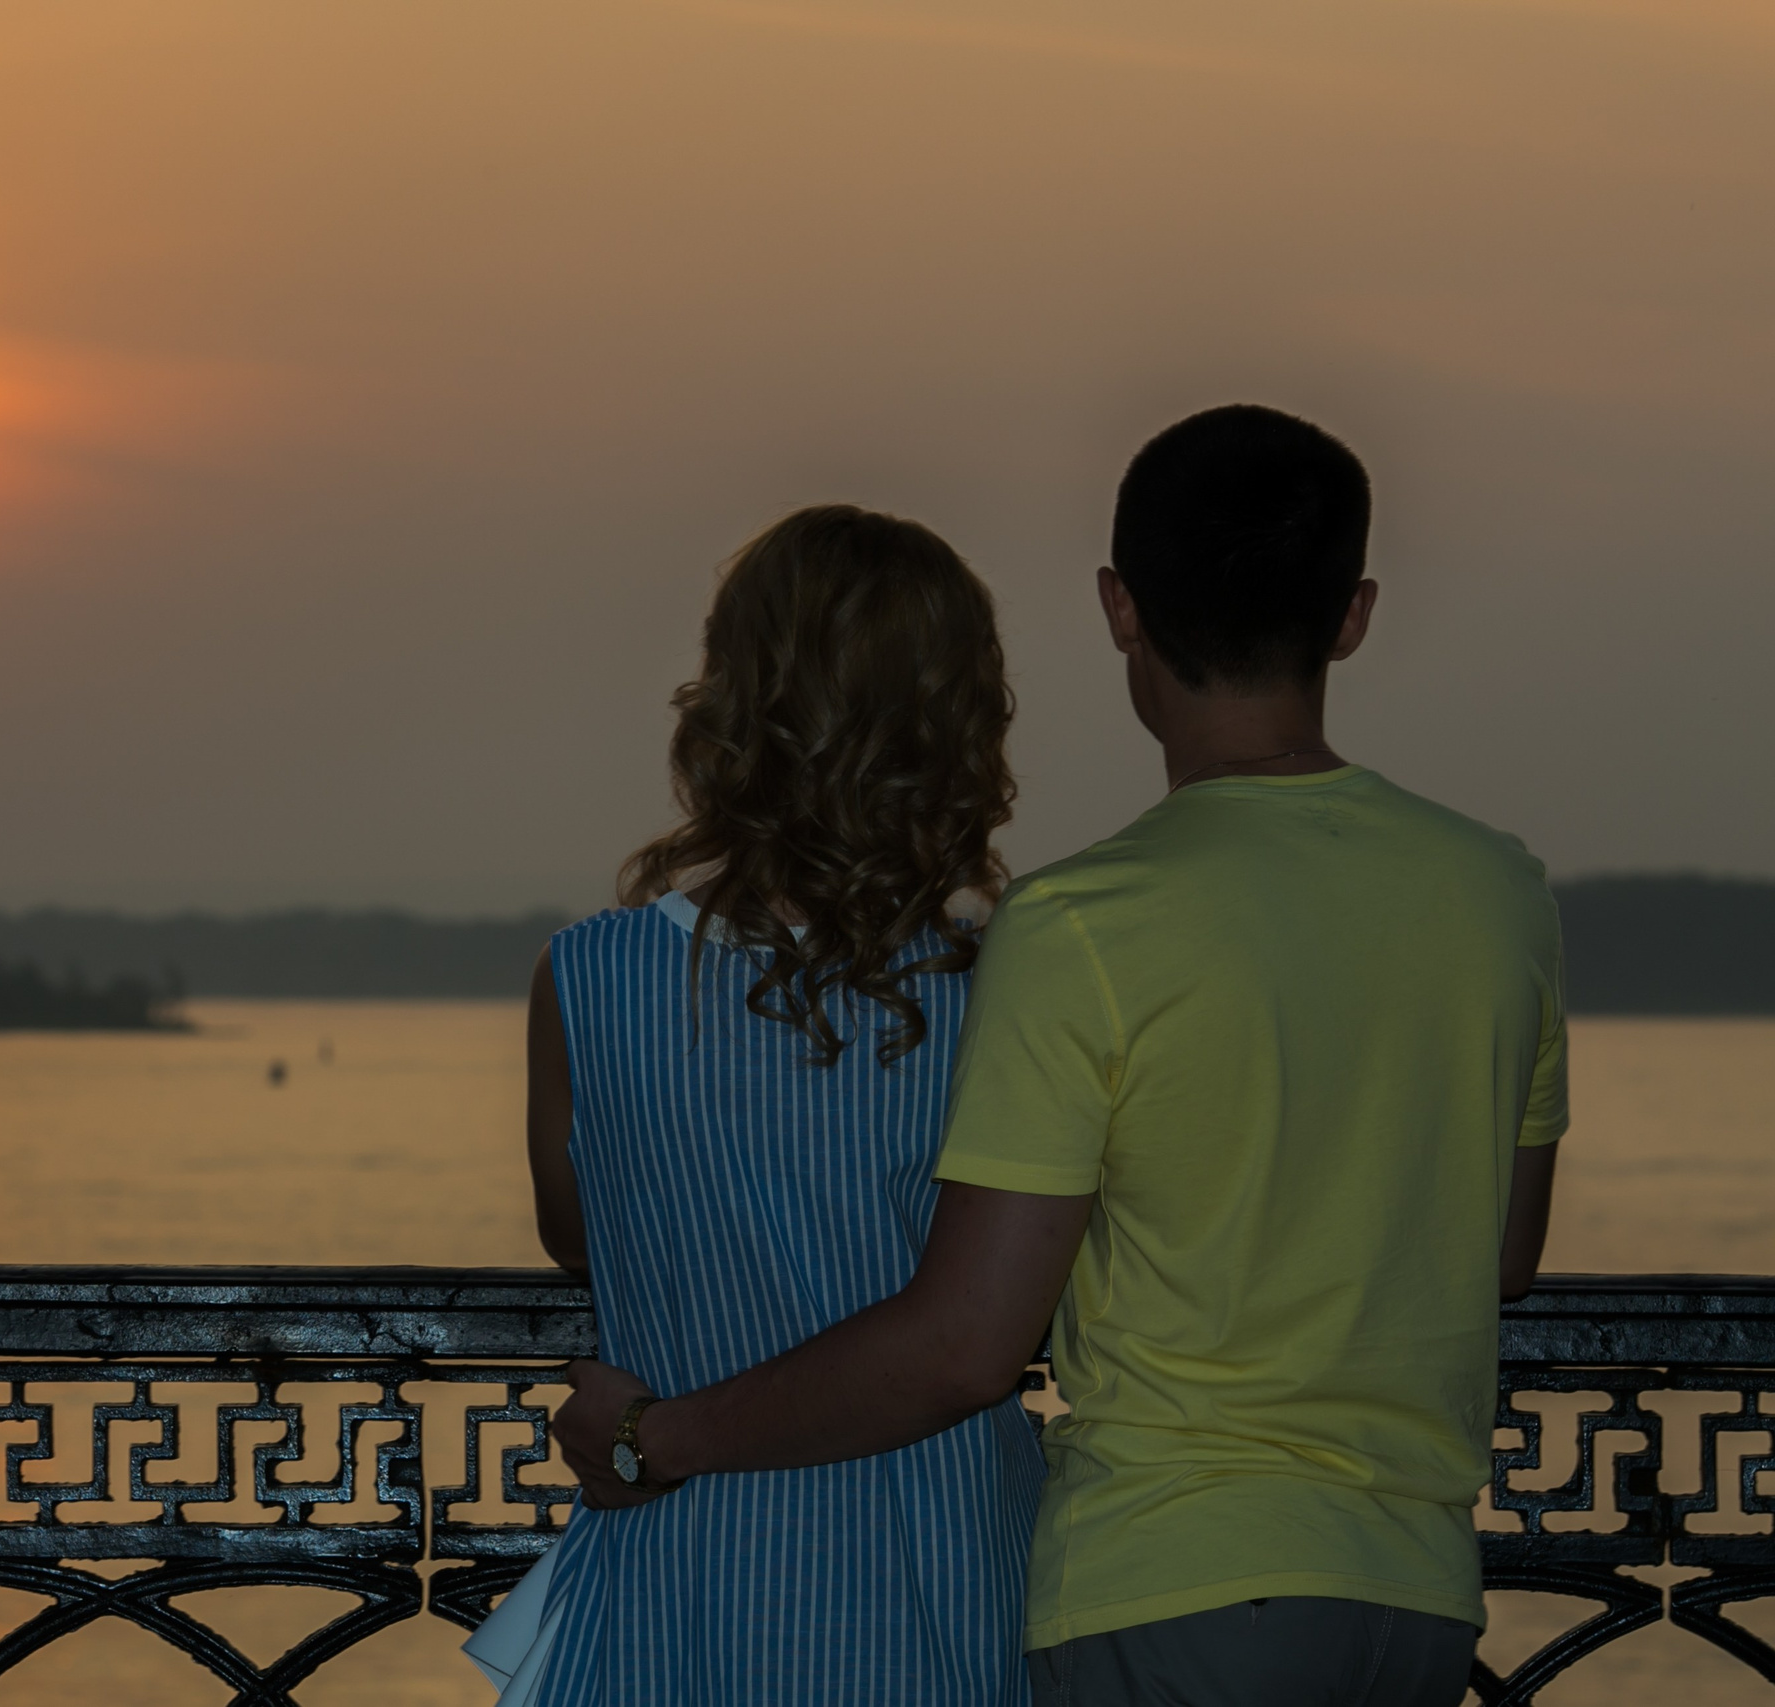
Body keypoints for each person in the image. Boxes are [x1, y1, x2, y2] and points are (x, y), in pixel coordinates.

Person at [555, 405, 1566, 1706]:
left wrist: (659, 1433)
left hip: (1169, 1583)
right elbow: (1500, 1246)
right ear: (1353, 612)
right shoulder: (1501, 893)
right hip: (1414, 1598)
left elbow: (973, 1342)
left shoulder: (1088, 922)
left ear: (1121, 609)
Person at [522, 504, 1045, 1704]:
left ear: (729, 699)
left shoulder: (589, 975)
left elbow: (579, 1238)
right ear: (960, 717)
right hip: (943, 1578)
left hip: (681, 1570)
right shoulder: (1011, 988)